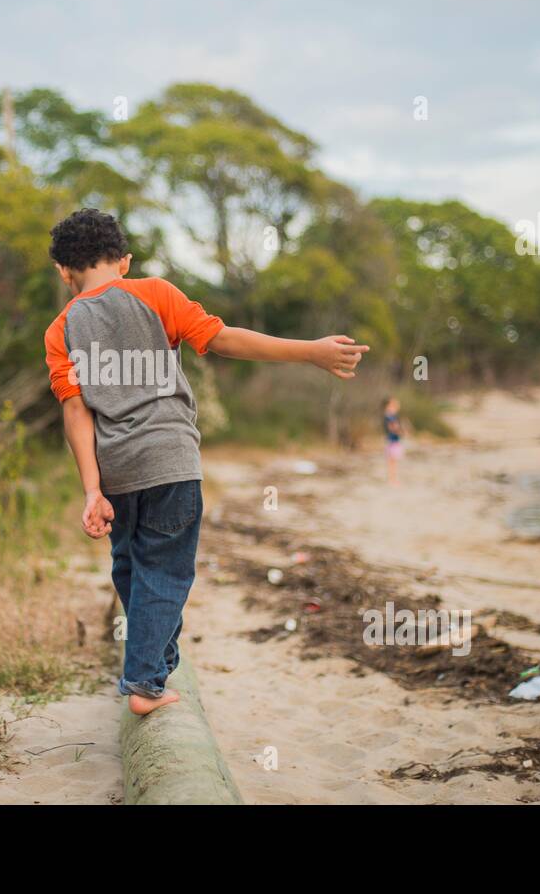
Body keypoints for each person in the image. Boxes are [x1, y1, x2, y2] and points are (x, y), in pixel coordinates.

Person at [43, 209, 370, 715]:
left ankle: (155, 666)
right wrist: (309, 351)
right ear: (124, 261)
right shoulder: (155, 293)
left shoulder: (62, 327)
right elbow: (221, 339)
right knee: (166, 573)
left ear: (64, 271)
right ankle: (146, 684)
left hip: (117, 470)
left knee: (132, 568)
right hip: (171, 461)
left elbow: (75, 411)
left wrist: (92, 489)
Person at [382, 396, 404, 485]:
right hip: (392, 441)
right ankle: (392, 479)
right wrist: (399, 431)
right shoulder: (390, 416)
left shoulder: (390, 416)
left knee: (392, 462)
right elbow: (393, 427)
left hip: (391, 440)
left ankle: (392, 479)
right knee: (392, 462)